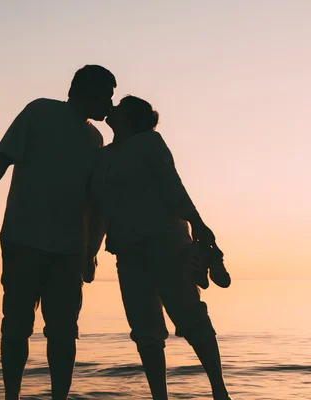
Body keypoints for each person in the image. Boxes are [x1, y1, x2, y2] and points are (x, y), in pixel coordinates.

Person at [0, 65, 116, 399]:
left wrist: (90, 251)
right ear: (85, 92)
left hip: (69, 248)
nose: (110, 104)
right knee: (16, 326)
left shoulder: (96, 139)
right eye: (107, 95)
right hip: (23, 238)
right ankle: (11, 396)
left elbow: (94, 202)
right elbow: (3, 157)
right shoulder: (40, 111)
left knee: (64, 332)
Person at [90, 96, 232, 400]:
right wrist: (90, 251)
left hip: (165, 242)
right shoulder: (102, 157)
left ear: (131, 117)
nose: (111, 108)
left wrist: (199, 224)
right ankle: (159, 397)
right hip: (127, 251)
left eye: (119, 106)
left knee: (190, 316)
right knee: (145, 331)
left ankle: (220, 392)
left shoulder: (149, 142)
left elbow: (173, 184)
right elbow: (102, 209)